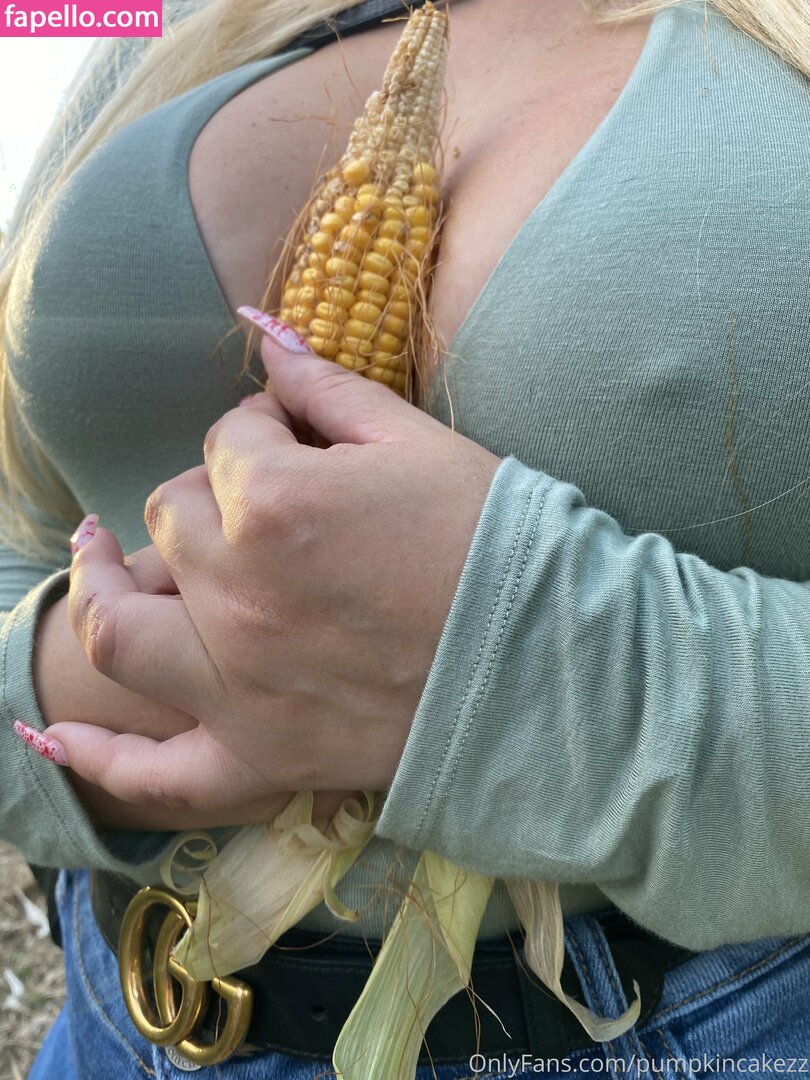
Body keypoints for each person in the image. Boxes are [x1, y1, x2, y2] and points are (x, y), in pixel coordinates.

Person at [3, 0, 810, 1076]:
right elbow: (21, 512)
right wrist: (63, 683)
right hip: (126, 1012)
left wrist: (520, 669)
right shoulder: (172, 21)